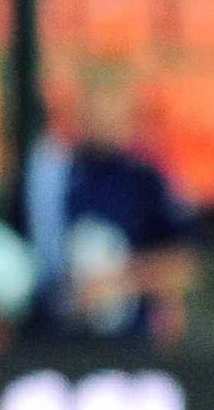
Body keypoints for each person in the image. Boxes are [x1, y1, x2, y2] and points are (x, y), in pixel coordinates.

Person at [17, 72, 201, 345]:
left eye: (111, 107)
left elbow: (185, 266)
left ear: (128, 114)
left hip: (131, 346)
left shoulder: (147, 178)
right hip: (54, 337)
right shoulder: (51, 175)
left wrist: (118, 282)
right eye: (95, 107)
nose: (103, 117)